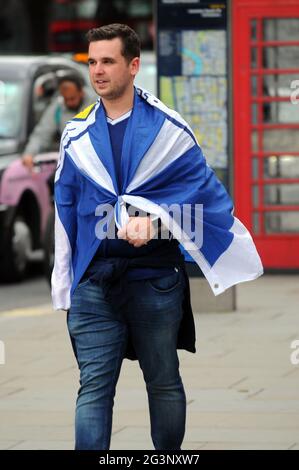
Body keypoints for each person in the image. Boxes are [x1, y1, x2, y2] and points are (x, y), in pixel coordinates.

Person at [51, 24, 263, 450]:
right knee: (93, 387)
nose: (97, 71)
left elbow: (207, 203)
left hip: (154, 277)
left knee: (163, 381)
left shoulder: (169, 131)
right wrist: (65, 281)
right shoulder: (75, 134)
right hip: (96, 279)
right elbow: (67, 210)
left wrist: (156, 223)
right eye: (92, 62)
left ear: (133, 66)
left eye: (107, 61)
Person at [22, 72, 96, 170]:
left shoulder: (96, 104)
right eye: (66, 99)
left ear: (81, 92)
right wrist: (30, 153)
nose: (69, 102)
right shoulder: (58, 107)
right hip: (71, 161)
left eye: (72, 98)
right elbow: (43, 132)